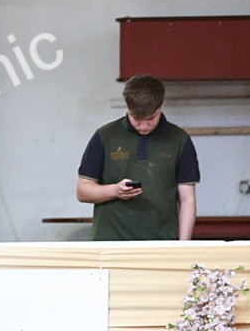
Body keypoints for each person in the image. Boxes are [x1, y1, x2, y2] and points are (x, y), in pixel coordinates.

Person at [76, 74, 199, 241]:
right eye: (137, 119)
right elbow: (83, 191)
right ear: (127, 107)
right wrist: (115, 191)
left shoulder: (179, 139)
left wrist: (183, 246)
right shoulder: (105, 136)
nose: (143, 126)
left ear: (161, 105)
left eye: (150, 119)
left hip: (160, 242)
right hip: (109, 242)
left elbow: (187, 199)